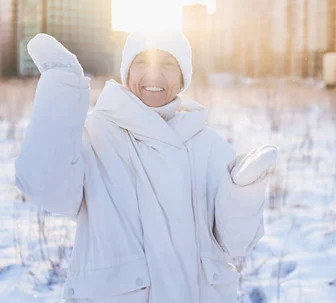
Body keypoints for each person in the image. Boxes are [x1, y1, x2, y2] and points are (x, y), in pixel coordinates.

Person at [15, 30, 277, 303]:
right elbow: (47, 189)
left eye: (168, 64)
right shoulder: (97, 134)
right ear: (126, 71)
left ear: (182, 77)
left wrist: (243, 194)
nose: (154, 74)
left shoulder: (209, 144)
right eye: (142, 62)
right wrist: (62, 86)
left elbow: (236, 243)